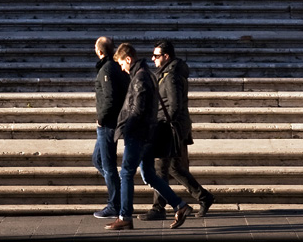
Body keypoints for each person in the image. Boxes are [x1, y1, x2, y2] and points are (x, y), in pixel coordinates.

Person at [106, 42, 193, 231]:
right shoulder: (145, 75)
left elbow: (138, 109)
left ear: (128, 59)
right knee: (149, 174)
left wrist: (126, 128)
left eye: (122, 63)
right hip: (147, 132)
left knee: (126, 172)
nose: (121, 68)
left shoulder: (140, 78)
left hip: (138, 134)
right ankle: (180, 205)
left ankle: (125, 216)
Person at [140, 39, 216, 221]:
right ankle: (204, 197)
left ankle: (158, 208)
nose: (153, 59)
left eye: (156, 56)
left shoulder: (172, 76)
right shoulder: (167, 73)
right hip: (174, 126)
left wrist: (160, 125)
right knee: (174, 167)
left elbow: (174, 106)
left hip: (170, 128)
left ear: (166, 56)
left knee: (161, 168)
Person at [92, 37, 130, 219]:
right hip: (108, 122)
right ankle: (119, 190)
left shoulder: (107, 69)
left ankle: (114, 204)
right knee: (98, 159)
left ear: (99, 51)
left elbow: (110, 98)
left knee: (107, 165)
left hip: (107, 124)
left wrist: (101, 118)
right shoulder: (110, 67)